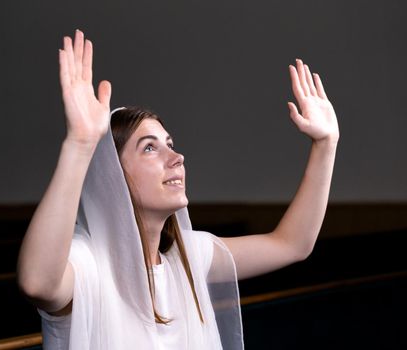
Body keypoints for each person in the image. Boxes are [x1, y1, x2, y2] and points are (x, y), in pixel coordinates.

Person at [17, 29, 339, 350]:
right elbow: (37, 281)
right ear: (112, 177)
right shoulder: (87, 264)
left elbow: (292, 244)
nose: (177, 158)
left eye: (170, 144)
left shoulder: (188, 257)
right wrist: (81, 143)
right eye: (149, 148)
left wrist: (326, 144)